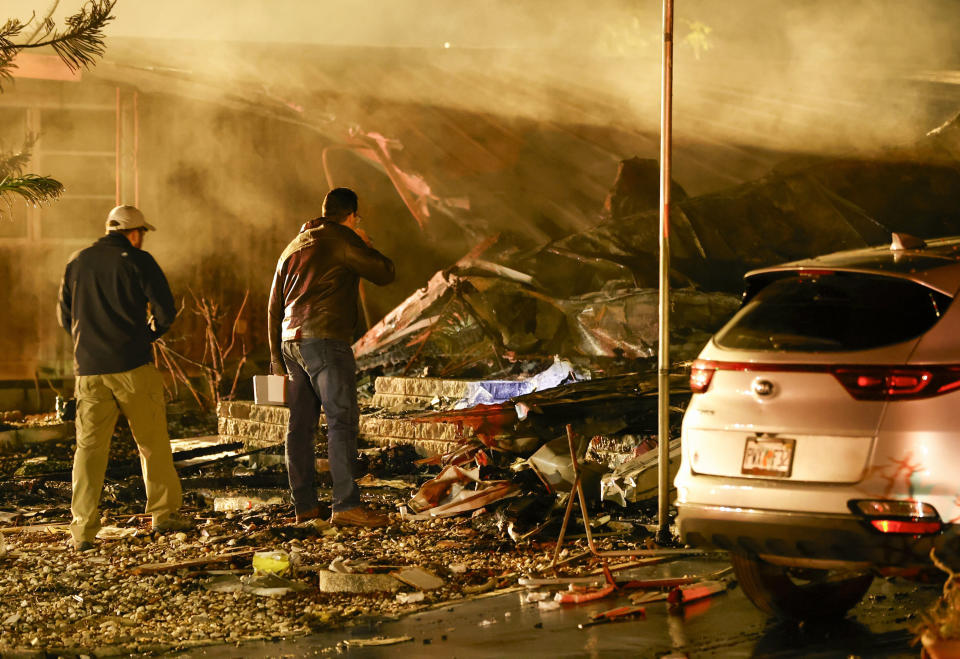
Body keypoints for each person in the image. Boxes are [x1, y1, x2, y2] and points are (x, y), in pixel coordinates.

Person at [58, 205, 191, 551]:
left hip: (88, 370)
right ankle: (163, 515)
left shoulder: (77, 261)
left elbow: (64, 317)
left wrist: (88, 341)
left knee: (88, 449)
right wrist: (147, 335)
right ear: (135, 233)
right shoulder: (137, 260)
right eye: (143, 233)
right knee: (151, 443)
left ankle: (83, 529)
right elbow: (165, 311)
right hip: (132, 366)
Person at [268, 187, 395, 527]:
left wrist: (275, 358)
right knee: (341, 422)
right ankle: (346, 506)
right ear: (351, 215)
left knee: (299, 428)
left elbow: (273, 305)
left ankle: (305, 507)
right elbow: (385, 272)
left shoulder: (294, 245)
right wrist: (364, 243)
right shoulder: (341, 238)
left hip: (290, 344)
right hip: (325, 341)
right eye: (358, 219)